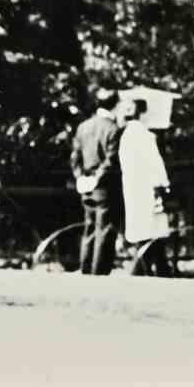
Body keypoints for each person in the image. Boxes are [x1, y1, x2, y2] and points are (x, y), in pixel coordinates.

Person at [119, 93, 175, 276]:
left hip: (132, 187)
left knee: (145, 231)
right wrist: (163, 185)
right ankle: (144, 269)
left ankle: (160, 267)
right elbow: (155, 165)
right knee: (151, 230)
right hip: (147, 189)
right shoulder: (145, 136)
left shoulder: (125, 136)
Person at [69, 86, 123, 276]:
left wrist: (80, 178)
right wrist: (96, 179)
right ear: (115, 105)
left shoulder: (83, 127)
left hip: (86, 184)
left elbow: (75, 157)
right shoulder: (114, 129)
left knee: (89, 229)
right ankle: (99, 274)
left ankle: (85, 270)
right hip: (104, 186)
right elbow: (111, 161)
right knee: (105, 231)